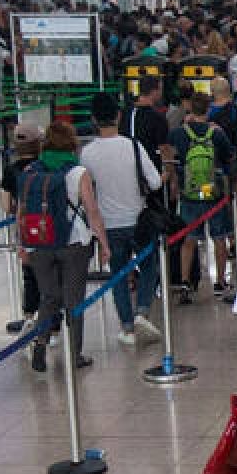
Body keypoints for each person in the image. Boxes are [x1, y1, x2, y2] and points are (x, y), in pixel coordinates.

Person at [23, 122, 111, 373]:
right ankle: (74, 354)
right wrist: (104, 243)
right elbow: (92, 211)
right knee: (74, 301)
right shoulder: (78, 172)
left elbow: (22, 211)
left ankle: (40, 342)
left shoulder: (31, 171)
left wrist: (23, 245)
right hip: (74, 244)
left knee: (49, 297)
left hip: (40, 242)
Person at [78, 92, 164, 347]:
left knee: (118, 275)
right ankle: (143, 311)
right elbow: (156, 182)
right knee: (149, 267)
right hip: (139, 220)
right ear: (118, 115)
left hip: (108, 224)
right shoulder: (133, 146)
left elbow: (86, 193)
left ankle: (127, 326)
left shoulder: (87, 154)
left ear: (93, 119)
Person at [170, 92, 236, 300]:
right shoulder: (216, 133)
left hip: (189, 194)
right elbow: (229, 156)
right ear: (208, 110)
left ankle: (185, 283)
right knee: (218, 239)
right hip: (213, 195)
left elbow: (172, 156)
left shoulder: (180, 133)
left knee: (189, 240)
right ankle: (220, 283)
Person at [0, 123, 44, 326]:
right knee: (50, 271)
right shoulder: (45, 166)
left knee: (29, 272)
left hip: (26, 223)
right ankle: (52, 321)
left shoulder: (10, 171)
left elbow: (6, 205)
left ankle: (29, 317)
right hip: (48, 221)